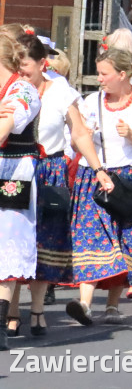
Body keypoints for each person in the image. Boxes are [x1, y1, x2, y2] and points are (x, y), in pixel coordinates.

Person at [7, 36, 100, 337]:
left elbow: (80, 134)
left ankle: (36, 309)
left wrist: (98, 168)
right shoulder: (9, 90)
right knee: (12, 240)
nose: (21, 74)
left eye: (26, 68)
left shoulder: (60, 91)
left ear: (41, 64)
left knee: (45, 242)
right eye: (17, 68)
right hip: (17, 170)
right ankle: (10, 310)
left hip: (50, 171)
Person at [68, 49, 132, 326]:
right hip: (94, 175)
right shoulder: (91, 101)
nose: (99, 79)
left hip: (129, 180)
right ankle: (84, 304)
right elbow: (77, 142)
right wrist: (84, 134)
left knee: (122, 240)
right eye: (98, 73)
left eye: (104, 74)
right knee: (91, 237)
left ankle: (111, 305)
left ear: (122, 75)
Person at [0, 36, 42, 349]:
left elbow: (6, 128)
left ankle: (0, 324)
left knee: (9, 244)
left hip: (14, 173)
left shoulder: (23, 90)